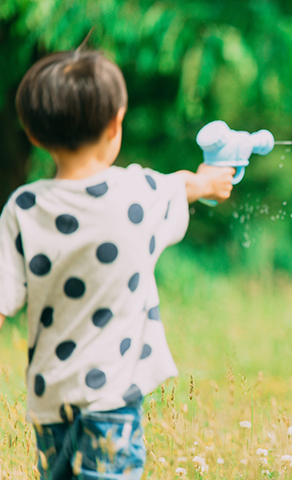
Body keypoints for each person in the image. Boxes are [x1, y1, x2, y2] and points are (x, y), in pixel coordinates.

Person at [0, 47, 235, 479]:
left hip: (49, 399)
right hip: (112, 399)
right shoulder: (137, 194)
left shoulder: (24, 208)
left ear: (33, 134)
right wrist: (208, 182)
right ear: (115, 126)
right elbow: (179, 187)